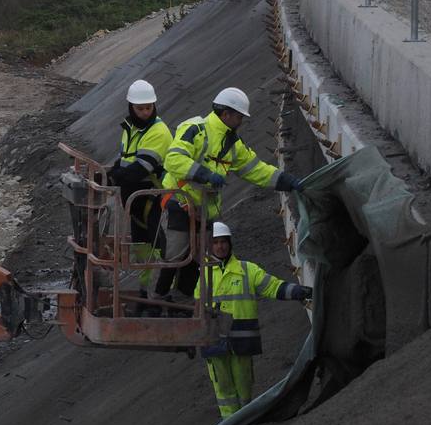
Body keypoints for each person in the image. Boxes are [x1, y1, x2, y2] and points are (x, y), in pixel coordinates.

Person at [155, 87, 301, 301]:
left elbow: (255, 170)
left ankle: (182, 300)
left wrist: (286, 181)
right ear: (226, 114)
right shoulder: (196, 129)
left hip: (206, 209)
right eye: (239, 116)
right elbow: (174, 160)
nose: (241, 121)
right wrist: (205, 174)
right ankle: (158, 298)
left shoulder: (233, 144)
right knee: (175, 254)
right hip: (179, 200)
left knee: (199, 258)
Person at [196, 221, 311, 418]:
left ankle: (245, 417)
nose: (220, 246)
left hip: (241, 339)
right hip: (213, 339)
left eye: (223, 242)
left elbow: (272, 286)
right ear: (209, 245)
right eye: (215, 242)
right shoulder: (202, 275)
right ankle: (230, 421)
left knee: (244, 382)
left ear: (230, 244)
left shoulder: (247, 270)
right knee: (222, 385)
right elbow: (196, 309)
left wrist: (299, 291)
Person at [107, 79, 172, 296]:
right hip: (135, 199)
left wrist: (116, 177)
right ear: (131, 108)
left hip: (151, 197)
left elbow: (141, 168)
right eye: (140, 108)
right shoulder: (131, 128)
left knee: (156, 242)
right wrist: (114, 170)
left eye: (148, 107)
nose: (145, 112)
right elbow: (126, 157)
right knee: (141, 244)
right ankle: (145, 289)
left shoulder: (158, 131)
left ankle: (163, 291)